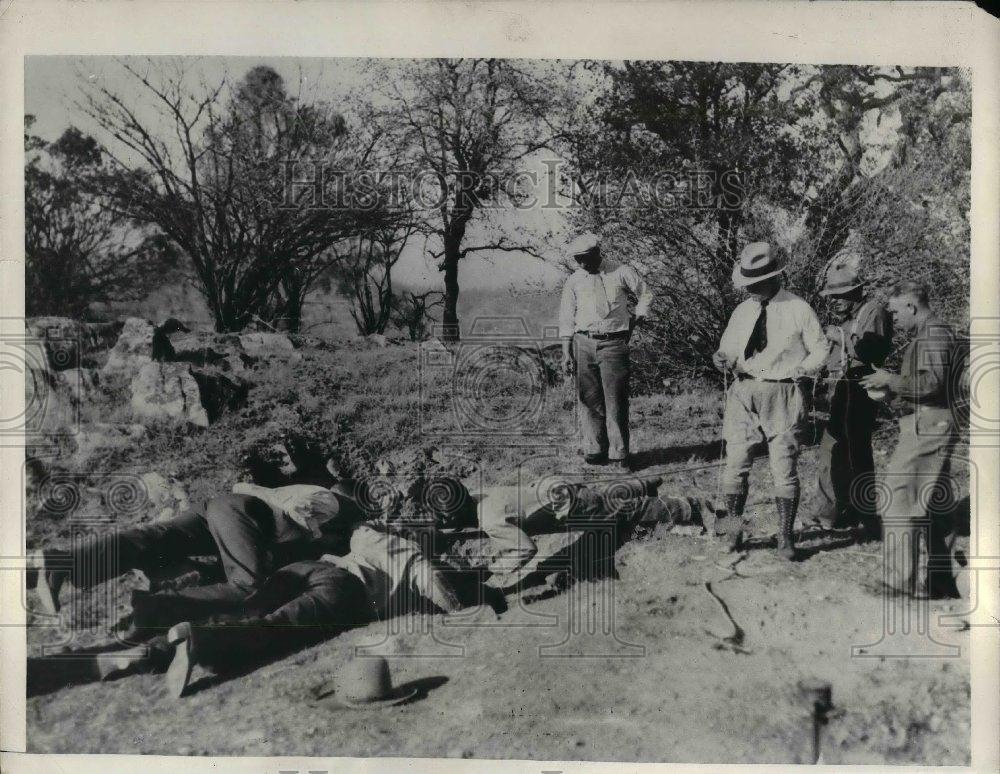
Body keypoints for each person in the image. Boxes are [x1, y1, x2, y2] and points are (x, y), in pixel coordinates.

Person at [26, 482, 362, 626]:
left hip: (219, 510)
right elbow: (300, 509)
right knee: (248, 584)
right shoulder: (331, 500)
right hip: (241, 513)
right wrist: (318, 535)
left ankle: (61, 563)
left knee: (149, 539)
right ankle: (157, 609)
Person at [712, 242, 828, 559]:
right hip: (743, 392)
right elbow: (727, 349)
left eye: (757, 283)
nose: (751, 290)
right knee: (735, 465)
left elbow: (820, 348)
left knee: (784, 468)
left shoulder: (798, 309)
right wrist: (720, 358)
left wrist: (803, 370)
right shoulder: (743, 311)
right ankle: (734, 535)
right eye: (747, 284)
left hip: (784, 393)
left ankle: (785, 540)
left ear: (777, 277)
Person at [861, 281, 962, 596]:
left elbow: (932, 383)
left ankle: (897, 582)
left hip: (928, 425)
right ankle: (942, 580)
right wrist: (890, 392)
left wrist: (889, 379)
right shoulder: (934, 333)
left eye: (894, 311)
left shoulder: (933, 335)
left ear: (911, 306)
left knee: (899, 500)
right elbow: (928, 383)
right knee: (933, 504)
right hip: (932, 422)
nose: (893, 318)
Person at [805, 258, 893, 537]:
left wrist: (839, 337)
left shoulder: (873, 312)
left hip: (860, 391)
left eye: (840, 295)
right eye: (832, 296)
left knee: (856, 454)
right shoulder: (850, 318)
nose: (835, 301)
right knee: (833, 450)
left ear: (857, 291)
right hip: (842, 391)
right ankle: (831, 512)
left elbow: (870, 352)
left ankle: (865, 518)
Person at [559, 232, 653, 470]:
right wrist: (566, 351)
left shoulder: (621, 271)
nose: (581, 263)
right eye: (577, 259)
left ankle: (620, 455)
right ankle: (594, 451)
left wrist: (637, 319)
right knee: (588, 400)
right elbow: (566, 317)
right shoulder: (574, 281)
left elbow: (646, 293)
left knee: (615, 401)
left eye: (585, 258)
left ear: (597, 253)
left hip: (614, 344)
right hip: (583, 343)